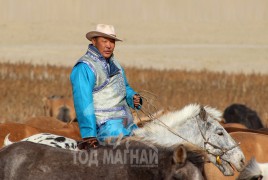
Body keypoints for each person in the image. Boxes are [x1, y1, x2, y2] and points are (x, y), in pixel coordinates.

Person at [70, 24, 142, 149]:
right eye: (104, 41)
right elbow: (83, 102)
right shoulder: (85, 67)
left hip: (127, 124)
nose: (109, 45)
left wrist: (133, 97)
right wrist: (89, 135)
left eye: (112, 41)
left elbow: (124, 87)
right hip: (106, 130)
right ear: (94, 41)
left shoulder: (115, 64)